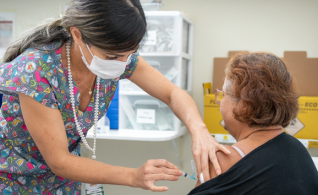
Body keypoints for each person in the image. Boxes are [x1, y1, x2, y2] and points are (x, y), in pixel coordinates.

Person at [0, 0, 230, 194]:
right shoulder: (35, 71)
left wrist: (199, 131)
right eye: (112, 56)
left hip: (64, 181)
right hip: (14, 180)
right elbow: (60, 161)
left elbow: (172, 93)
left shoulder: (119, 58)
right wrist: (133, 176)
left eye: (129, 54)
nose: (122, 65)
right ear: (77, 35)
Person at [188, 52, 318, 195]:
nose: (220, 102)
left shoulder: (221, 163)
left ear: (244, 104)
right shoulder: (298, 150)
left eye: (224, 94)